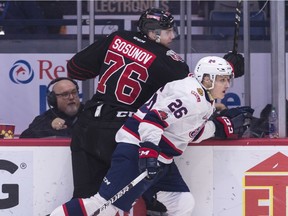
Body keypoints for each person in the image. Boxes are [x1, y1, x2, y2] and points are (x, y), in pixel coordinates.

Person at [50, 56, 254, 216]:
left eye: (228, 79)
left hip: (159, 158)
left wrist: (219, 127)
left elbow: (187, 132)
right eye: (222, 79)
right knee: (104, 206)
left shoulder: (203, 97)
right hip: (137, 151)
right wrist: (147, 153)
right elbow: (152, 120)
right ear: (207, 79)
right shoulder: (189, 96)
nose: (227, 84)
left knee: (182, 202)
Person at [66, 7, 191, 213]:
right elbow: (191, 96)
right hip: (123, 133)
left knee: (87, 202)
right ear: (153, 32)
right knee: (160, 200)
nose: (173, 36)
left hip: (87, 127)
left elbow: (75, 69)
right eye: (168, 31)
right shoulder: (170, 62)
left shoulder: (117, 38)